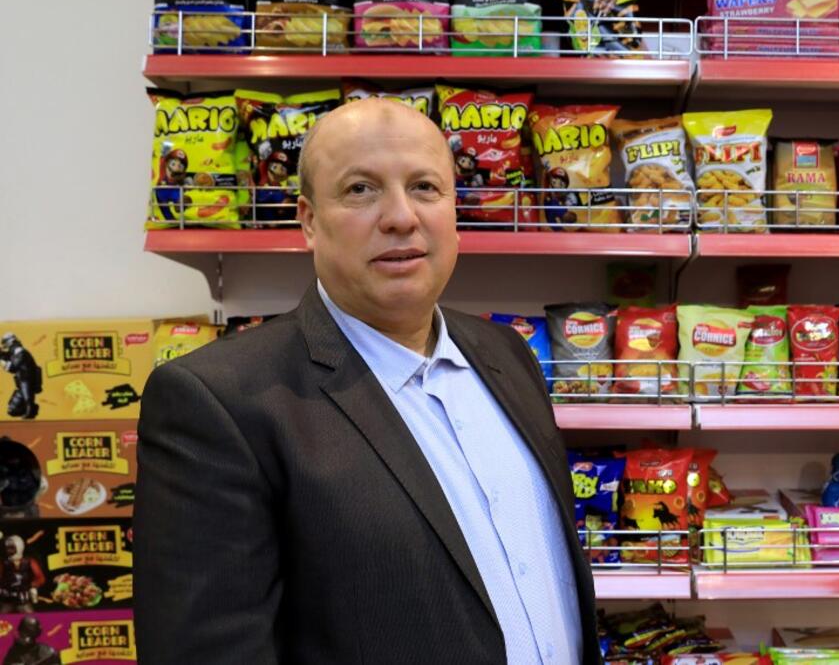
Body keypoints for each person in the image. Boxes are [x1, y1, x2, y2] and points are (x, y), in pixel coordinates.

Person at [134, 98, 598, 665]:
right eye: (361, 190)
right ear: (308, 220)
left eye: (426, 186)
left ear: (454, 209)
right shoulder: (219, 402)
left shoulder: (508, 355)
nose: (402, 216)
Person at [0, 335, 41, 420]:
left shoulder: (21, 353)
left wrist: (2, 362)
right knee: (12, 410)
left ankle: (30, 411)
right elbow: (8, 356)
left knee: (27, 397)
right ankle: (31, 409)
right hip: (21, 381)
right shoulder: (16, 352)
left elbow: (12, 367)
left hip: (27, 380)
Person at [0, 536, 43, 614]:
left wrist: (33, 587)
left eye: (11, 548)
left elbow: (40, 578)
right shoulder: (3, 563)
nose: (9, 551)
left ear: (19, 547)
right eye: (7, 548)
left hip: (23, 601)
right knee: (2, 620)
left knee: (32, 620)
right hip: (7, 600)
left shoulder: (30, 562)